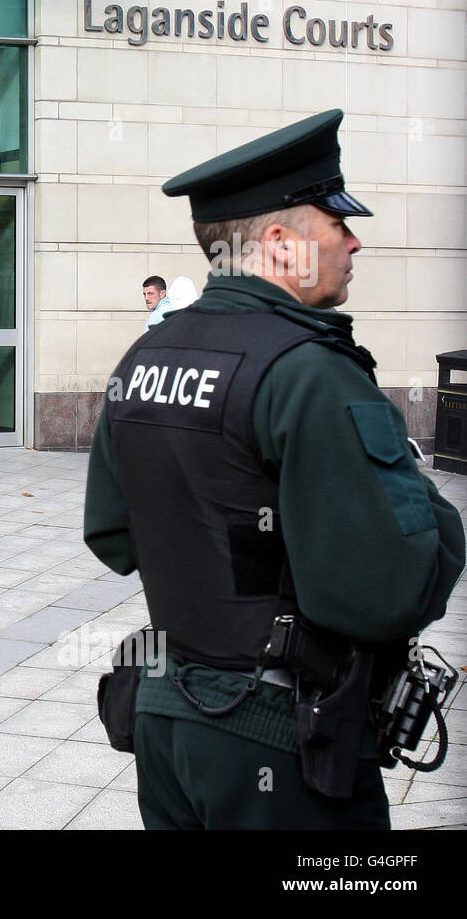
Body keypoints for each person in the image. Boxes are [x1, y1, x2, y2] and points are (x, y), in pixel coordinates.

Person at [84, 109, 465, 829]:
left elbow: (112, 535)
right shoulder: (310, 370)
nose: (355, 241)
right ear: (283, 244)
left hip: (167, 721)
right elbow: (392, 585)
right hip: (278, 739)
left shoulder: (145, 359)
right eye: (338, 223)